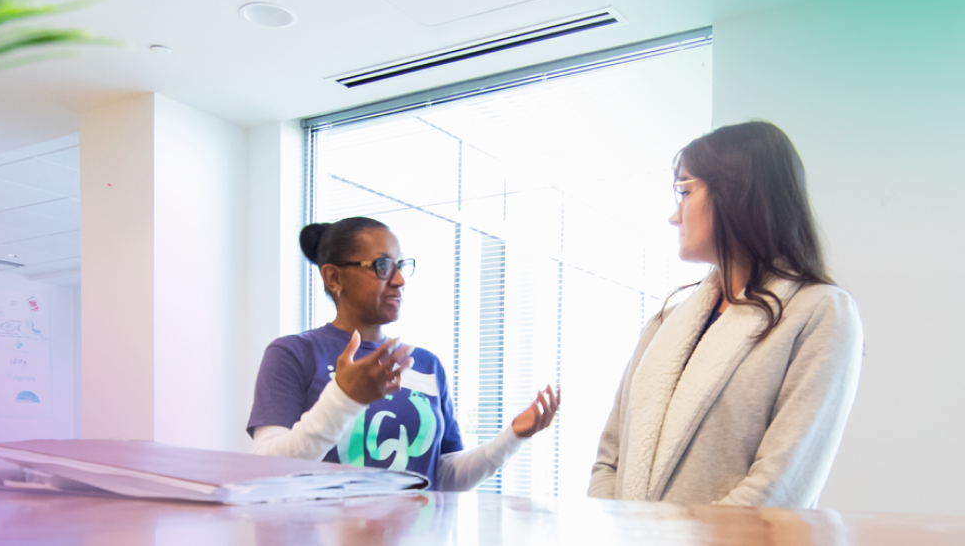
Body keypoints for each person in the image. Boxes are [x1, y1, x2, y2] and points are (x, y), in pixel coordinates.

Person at [588, 121, 863, 508]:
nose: (674, 216)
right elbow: (609, 461)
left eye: (685, 191)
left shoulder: (820, 314)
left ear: (736, 193)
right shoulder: (666, 322)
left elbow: (779, 490)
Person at [248, 216, 559, 491]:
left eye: (400, 266)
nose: (399, 280)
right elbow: (268, 468)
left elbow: (443, 478)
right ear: (334, 277)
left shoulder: (425, 364)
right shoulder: (294, 353)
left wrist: (512, 438)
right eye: (382, 266)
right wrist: (344, 398)